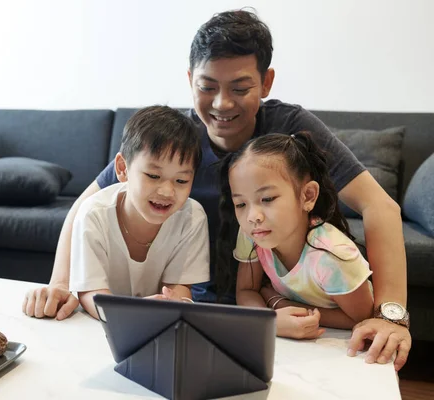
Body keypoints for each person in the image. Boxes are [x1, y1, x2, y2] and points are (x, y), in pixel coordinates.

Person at [22, 9, 411, 370]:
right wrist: (60, 283)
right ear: (190, 80)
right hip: (200, 306)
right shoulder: (174, 140)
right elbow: (87, 204)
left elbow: (380, 207)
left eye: (241, 87)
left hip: (285, 307)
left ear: (266, 82)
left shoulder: (291, 126)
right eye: (207, 87)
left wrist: (389, 314)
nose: (222, 104)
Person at [219, 131, 374, 339]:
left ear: (307, 196)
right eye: (241, 204)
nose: (253, 216)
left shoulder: (333, 256)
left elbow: (361, 318)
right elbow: (246, 291)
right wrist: (268, 321)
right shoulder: (252, 234)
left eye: (267, 199)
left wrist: (278, 303)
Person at [69, 106, 210, 319]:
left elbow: (179, 286)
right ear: (122, 169)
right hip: (101, 325)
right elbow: (90, 292)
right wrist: (131, 314)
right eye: (153, 176)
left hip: (155, 326)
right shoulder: (93, 214)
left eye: (181, 181)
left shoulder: (192, 218)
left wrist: (171, 303)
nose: (167, 191)